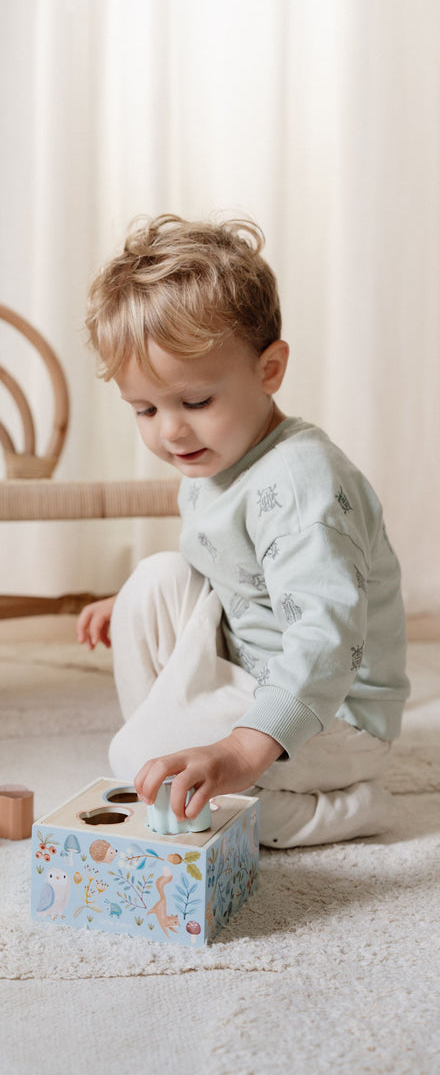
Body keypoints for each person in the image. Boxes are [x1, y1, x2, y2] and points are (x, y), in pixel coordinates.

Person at [76, 214, 410, 848]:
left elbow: (327, 638)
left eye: (195, 402)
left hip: (332, 710)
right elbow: (223, 572)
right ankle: (174, 756)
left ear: (269, 369)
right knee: (154, 578)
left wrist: (239, 750)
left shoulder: (299, 483)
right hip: (251, 667)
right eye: (145, 410)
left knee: (133, 765)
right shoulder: (214, 455)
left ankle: (340, 809)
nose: (170, 431)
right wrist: (128, 607)